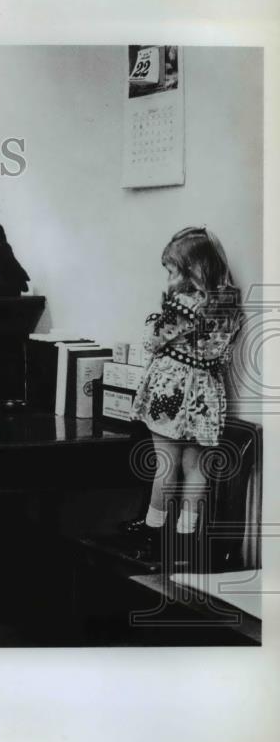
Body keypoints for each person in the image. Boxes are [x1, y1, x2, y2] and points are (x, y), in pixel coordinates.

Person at [129, 226, 242, 565]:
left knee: (165, 464)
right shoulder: (228, 305)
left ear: (192, 268)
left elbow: (153, 341)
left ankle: (153, 532)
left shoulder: (182, 304)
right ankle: (186, 536)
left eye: (172, 269)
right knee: (196, 468)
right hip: (206, 394)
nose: (170, 276)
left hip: (171, 391)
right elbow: (222, 356)